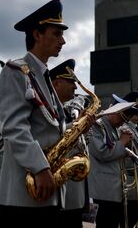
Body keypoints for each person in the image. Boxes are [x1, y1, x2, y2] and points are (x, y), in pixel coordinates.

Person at [0, 0, 68, 228]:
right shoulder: (16, 71)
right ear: (37, 34)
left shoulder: (42, 75)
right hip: (24, 192)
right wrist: (41, 167)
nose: (62, 40)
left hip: (43, 190)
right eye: (56, 33)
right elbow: (15, 128)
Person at [50, 59, 87, 228]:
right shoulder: (48, 109)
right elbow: (53, 137)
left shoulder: (65, 111)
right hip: (58, 186)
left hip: (73, 191)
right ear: (56, 83)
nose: (75, 86)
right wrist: (78, 125)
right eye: (71, 82)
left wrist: (84, 129)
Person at [87, 101, 135, 228]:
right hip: (102, 191)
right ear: (113, 111)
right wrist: (122, 143)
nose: (121, 123)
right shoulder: (96, 125)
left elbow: (117, 155)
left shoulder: (114, 128)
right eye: (120, 118)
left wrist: (126, 146)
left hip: (114, 192)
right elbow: (102, 153)